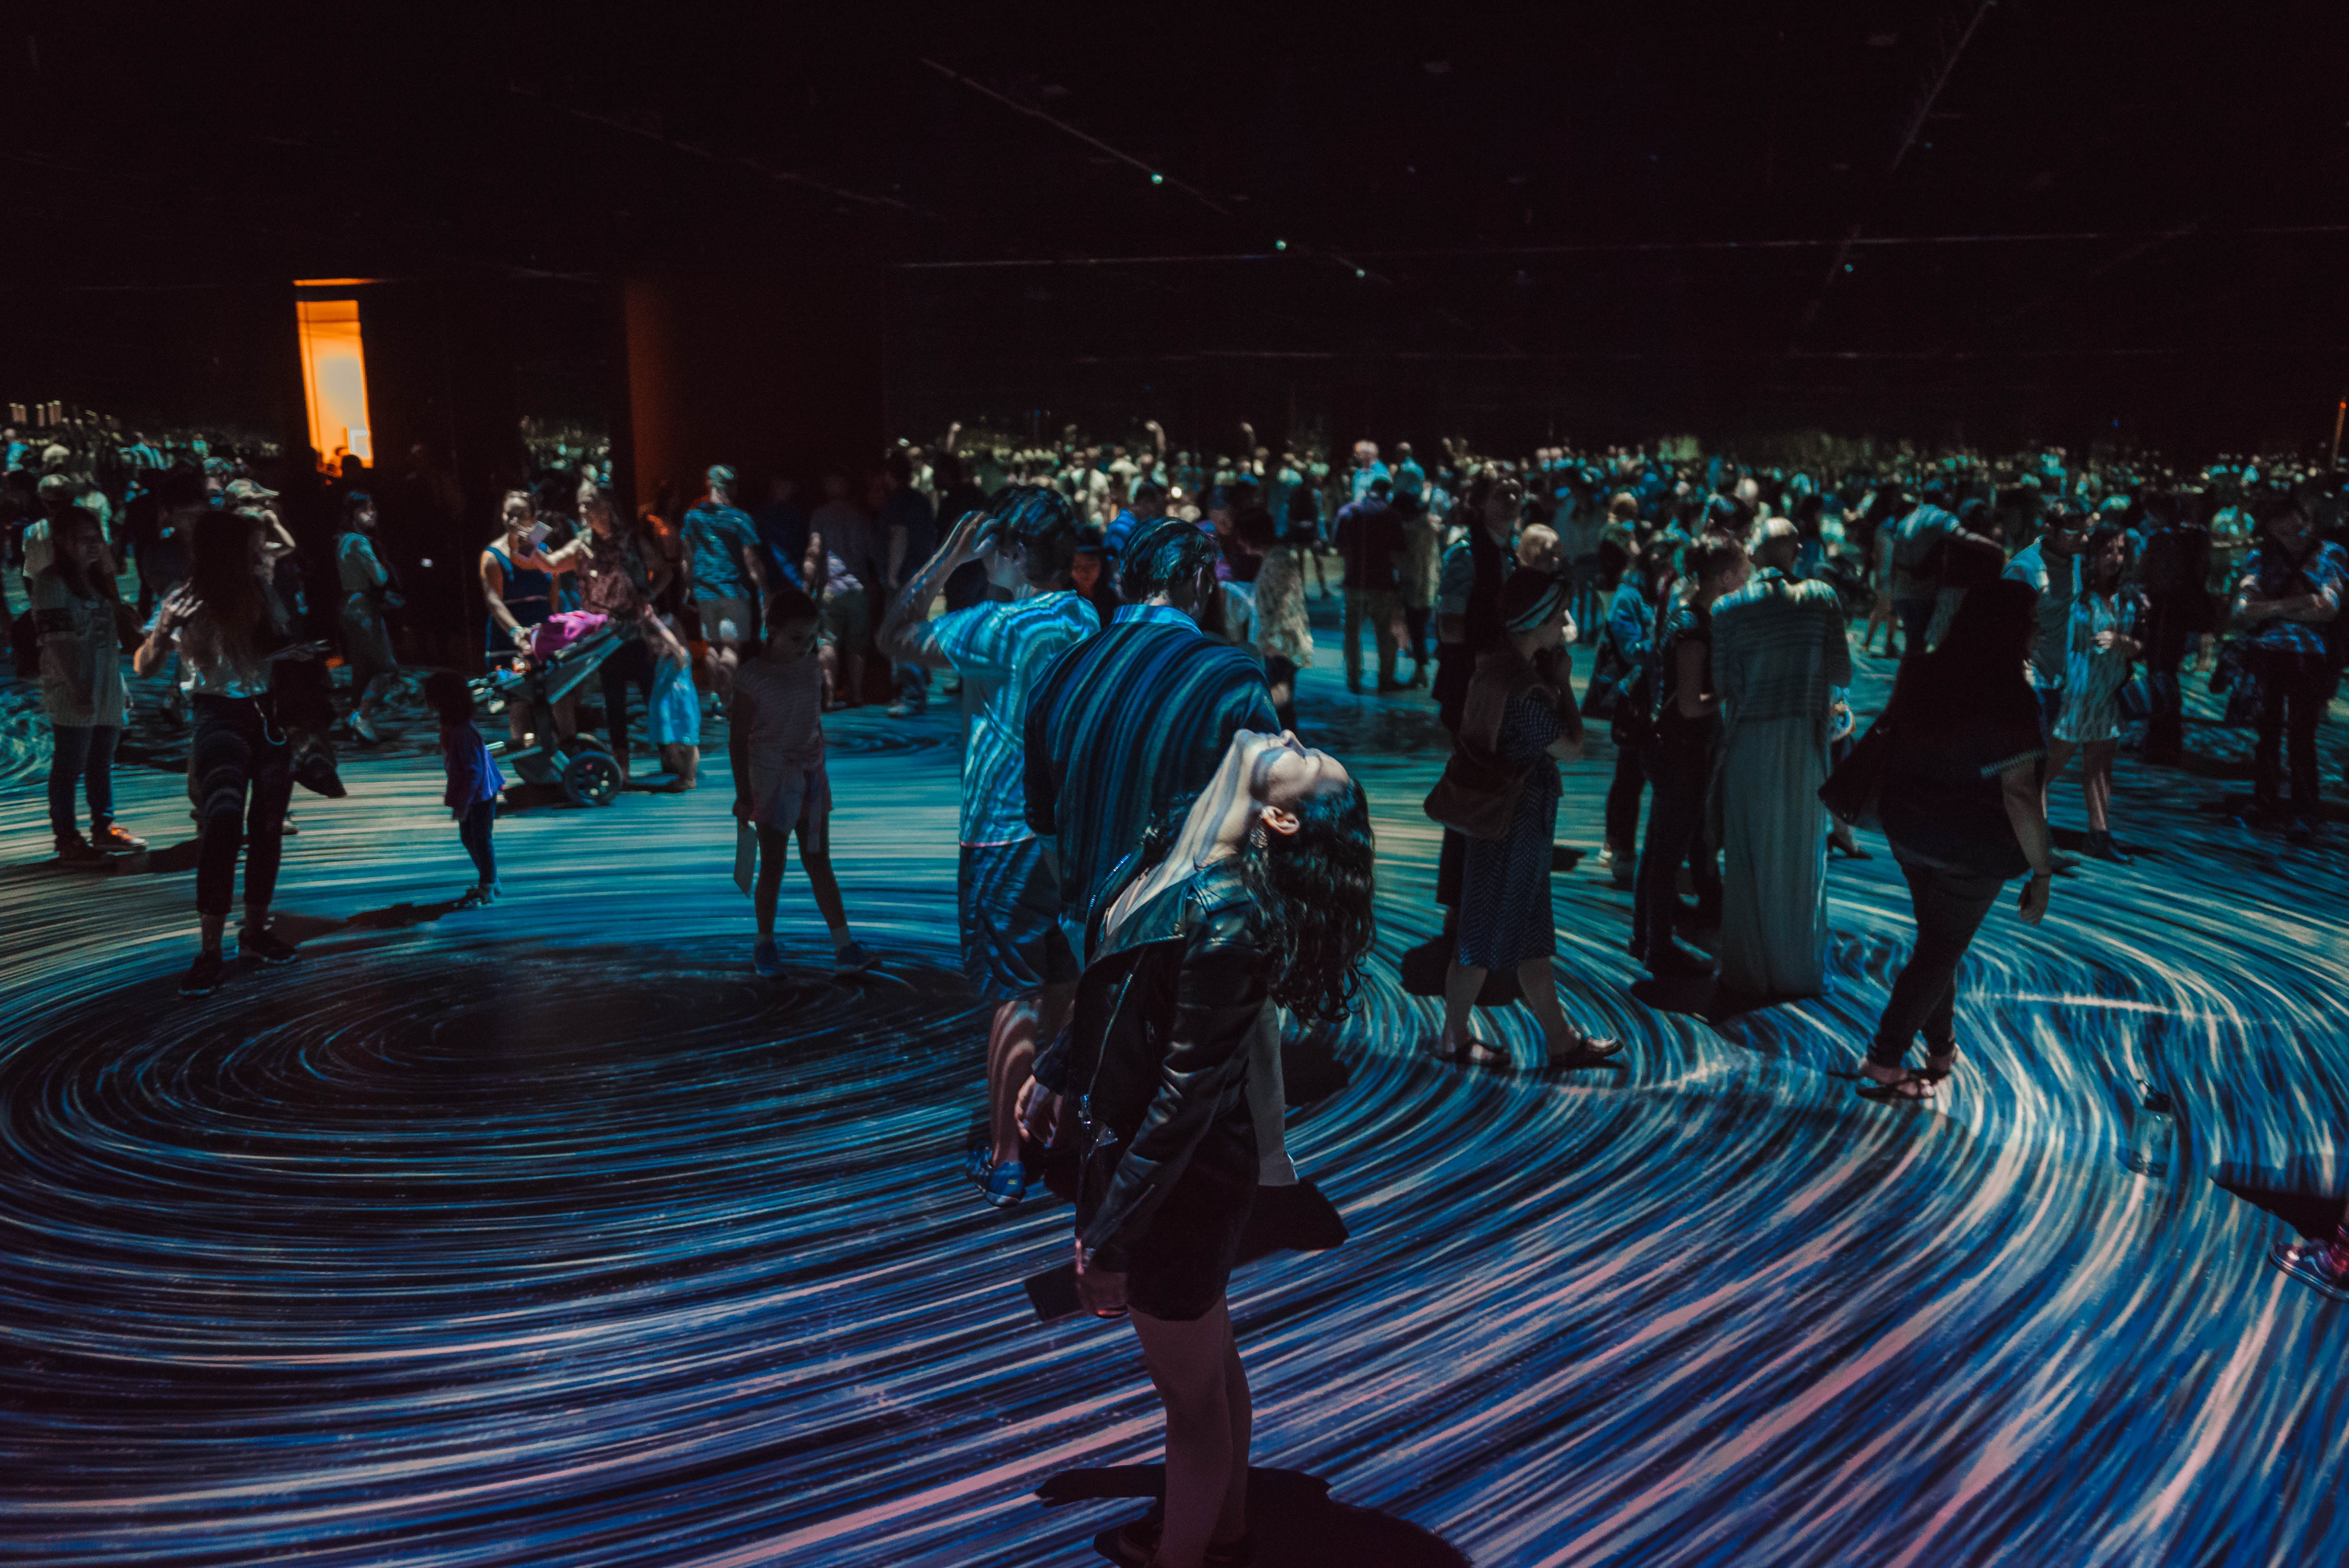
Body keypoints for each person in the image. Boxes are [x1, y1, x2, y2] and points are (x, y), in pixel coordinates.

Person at [1049, 729, 1375, 1568]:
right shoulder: (1180, 844)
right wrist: (1057, 1063)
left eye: (1305, 762)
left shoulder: (1228, 913)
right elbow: (1122, 984)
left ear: (1275, 812)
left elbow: (1182, 1099)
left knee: (1187, 1395)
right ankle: (1222, 1527)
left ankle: (1180, 1553)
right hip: (1177, 1174)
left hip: (1179, 1184)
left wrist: (1111, 1233)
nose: (1293, 736)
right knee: (1209, 1350)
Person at [876, 488, 1099, 1208]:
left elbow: (893, 633)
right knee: (1063, 987)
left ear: (1007, 552)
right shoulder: (1083, 618)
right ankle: (1057, 1133)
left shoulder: (994, 629)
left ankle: (1006, 1156)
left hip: (1002, 834)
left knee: (1014, 997)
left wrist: (944, 557)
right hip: (1071, 834)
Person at [1021, 520, 1282, 931]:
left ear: (1124, 581)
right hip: (1187, 921)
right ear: (1200, 579)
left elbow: (1042, 822)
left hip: (1085, 921)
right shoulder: (1231, 675)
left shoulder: (1058, 672)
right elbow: (1269, 804)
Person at [1866, 579, 2055, 1099]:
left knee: (1936, 943)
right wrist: (2041, 871)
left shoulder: (1924, 671)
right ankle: (1885, 1059)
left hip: (1908, 830)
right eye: (2032, 622)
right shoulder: (2014, 697)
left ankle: (1941, 1046)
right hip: (1969, 847)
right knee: (1940, 948)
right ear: (2012, 629)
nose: (2038, 630)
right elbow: (2020, 795)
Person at [1431, 569, 1622, 1069]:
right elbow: (1573, 748)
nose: (1566, 623)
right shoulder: (1528, 690)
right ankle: (1453, 1037)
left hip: (1506, 822)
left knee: (1530, 938)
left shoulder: (1492, 669)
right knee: (1480, 937)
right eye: (1559, 615)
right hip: (1515, 824)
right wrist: (1563, 684)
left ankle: (1560, 1040)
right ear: (1538, 621)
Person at [134, 509, 312, 997]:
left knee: (269, 822)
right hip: (217, 716)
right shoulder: (186, 598)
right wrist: (163, 627)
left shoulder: (259, 591)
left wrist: (288, 654)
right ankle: (209, 949)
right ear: (226, 552)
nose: (260, 554)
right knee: (223, 821)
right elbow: (145, 667)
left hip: (265, 713)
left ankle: (254, 931)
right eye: (251, 547)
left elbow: (265, 651)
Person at [1708, 518, 1852, 997]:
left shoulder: (1727, 608)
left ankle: (1749, 970)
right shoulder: (1822, 598)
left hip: (1749, 741)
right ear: (1794, 549)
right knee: (1801, 860)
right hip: (1802, 740)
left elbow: (1724, 683)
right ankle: (1799, 971)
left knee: (1748, 858)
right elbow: (1843, 672)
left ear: (1755, 553)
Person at [729, 585, 874, 976]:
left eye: (812, 638)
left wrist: (819, 772)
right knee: (773, 864)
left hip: (810, 780)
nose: (805, 645)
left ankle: (844, 944)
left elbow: (815, 725)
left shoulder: (812, 668)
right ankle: (764, 942)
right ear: (772, 629)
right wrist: (744, 793)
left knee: (819, 860)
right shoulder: (753, 677)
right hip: (772, 782)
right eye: (797, 637)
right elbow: (738, 737)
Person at [1631, 533, 1748, 976]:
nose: (1748, 574)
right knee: (1666, 854)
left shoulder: (1695, 617)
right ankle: (1658, 948)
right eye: (1742, 568)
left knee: (1657, 849)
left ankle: (1645, 936)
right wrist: (1728, 690)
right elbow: (1689, 703)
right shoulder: (1694, 626)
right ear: (1723, 576)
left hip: (1672, 750)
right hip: (1680, 751)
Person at [2233, 496, 2346, 844]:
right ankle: (2263, 800)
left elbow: (2328, 609)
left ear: (2304, 517)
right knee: (2265, 733)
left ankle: (2304, 810)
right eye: (2277, 523)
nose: (2286, 529)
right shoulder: (2258, 556)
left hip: (2309, 657)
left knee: (2301, 736)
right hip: (2267, 653)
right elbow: (2243, 609)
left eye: (2292, 521)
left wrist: (2269, 608)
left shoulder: (2331, 554)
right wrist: (2297, 604)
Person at [32, 505, 143, 862]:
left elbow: (108, 637)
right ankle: (66, 836)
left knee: (101, 759)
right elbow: (57, 640)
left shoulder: (95, 581)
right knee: (70, 763)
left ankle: (104, 826)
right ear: (63, 542)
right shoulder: (51, 582)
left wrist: (119, 684)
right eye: (87, 540)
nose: (96, 547)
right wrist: (77, 687)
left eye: (99, 540)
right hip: (74, 685)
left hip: (105, 681)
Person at [2047, 522, 2144, 863]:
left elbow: (2138, 646)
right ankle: (2025, 821)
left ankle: (2099, 835)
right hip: (2078, 690)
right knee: (2053, 761)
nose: (2114, 558)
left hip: (2109, 691)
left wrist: (2121, 642)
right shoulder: (2078, 592)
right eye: (2106, 551)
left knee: (2100, 765)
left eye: (2119, 550)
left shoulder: (2129, 596)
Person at [423, 669, 504, 907]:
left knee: (480, 839)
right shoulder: (455, 728)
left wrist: (463, 804)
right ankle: (490, 880)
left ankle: (488, 885)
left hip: (480, 795)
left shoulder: (462, 732)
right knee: (470, 838)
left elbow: (474, 772)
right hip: (476, 793)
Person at [877, 449, 940, 716]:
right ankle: (922, 680)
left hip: (906, 578)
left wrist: (892, 574)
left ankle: (913, 696)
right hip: (922, 575)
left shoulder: (898, 502)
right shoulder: (921, 500)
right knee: (916, 630)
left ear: (890, 476)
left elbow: (898, 537)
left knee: (903, 636)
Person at [680, 464, 767, 654]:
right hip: (733, 592)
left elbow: (687, 559)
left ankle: (715, 685)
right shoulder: (741, 519)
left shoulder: (693, 518)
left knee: (712, 647)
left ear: (709, 485)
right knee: (731, 648)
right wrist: (765, 592)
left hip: (705, 591)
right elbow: (752, 562)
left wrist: (689, 588)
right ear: (732, 487)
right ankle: (727, 685)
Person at [334, 491, 399, 742]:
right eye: (366, 509)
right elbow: (380, 577)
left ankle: (354, 720)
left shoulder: (342, 540)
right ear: (354, 514)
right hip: (363, 608)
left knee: (362, 670)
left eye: (373, 508)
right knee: (387, 669)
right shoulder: (359, 542)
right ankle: (363, 715)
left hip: (348, 606)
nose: (373, 514)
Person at [1331, 477, 1406, 692]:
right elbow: (1400, 550)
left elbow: (1338, 545)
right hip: (1382, 583)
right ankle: (1385, 679)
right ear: (1387, 493)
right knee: (1385, 633)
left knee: (1352, 632)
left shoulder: (1349, 512)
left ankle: (1354, 678)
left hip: (1353, 582)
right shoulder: (1391, 515)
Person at [807, 469, 872, 706]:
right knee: (857, 647)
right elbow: (872, 551)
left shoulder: (820, 515)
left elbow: (814, 550)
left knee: (828, 641)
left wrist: (807, 584)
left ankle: (829, 696)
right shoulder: (860, 515)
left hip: (830, 590)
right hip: (857, 590)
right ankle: (856, 694)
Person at [1253, 521, 1314, 732]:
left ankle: (1285, 747)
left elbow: (1285, 605)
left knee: (1280, 700)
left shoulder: (1278, 562)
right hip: (1281, 640)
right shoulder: (1276, 559)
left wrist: (1275, 641)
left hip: (1280, 642)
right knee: (1283, 702)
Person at [1395, 491, 1444, 686]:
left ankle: (1421, 671)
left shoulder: (1412, 532)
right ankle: (1421, 670)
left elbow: (1408, 562)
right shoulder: (1431, 527)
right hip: (1430, 586)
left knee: (1416, 630)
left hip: (1415, 587)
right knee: (1420, 629)